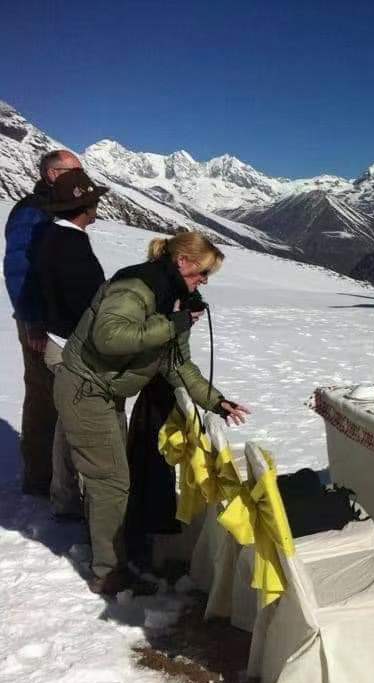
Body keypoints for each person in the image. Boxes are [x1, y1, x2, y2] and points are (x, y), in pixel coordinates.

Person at [53, 231, 251, 596]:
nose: (204, 281)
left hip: (105, 392)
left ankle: (112, 547)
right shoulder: (136, 287)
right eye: (202, 272)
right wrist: (171, 324)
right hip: (85, 389)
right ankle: (109, 570)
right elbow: (109, 336)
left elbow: (178, 364)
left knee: (109, 476)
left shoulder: (174, 299)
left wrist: (216, 401)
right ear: (183, 262)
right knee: (110, 481)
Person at [3, 149, 82, 495]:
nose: (82, 177)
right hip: (39, 319)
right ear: (53, 174)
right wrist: (33, 320)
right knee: (42, 393)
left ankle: (56, 472)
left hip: (57, 318)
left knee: (58, 392)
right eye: (75, 171)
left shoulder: (54, 207)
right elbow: (18, 268)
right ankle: (39, 476)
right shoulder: (32, 212)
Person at [32, 168, 109, 517]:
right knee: (83, 426)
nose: (97, 207)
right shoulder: (72, 246)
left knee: (67, 421)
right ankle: (76, 500)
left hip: (55, 339)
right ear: (83, 207)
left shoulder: (49, 237)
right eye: (93, 201)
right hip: (72, 348)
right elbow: (85, 306)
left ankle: (63, 495)